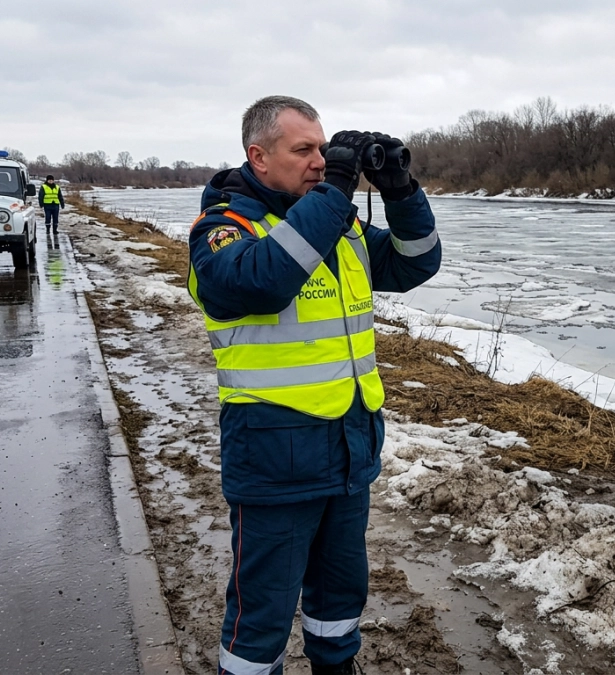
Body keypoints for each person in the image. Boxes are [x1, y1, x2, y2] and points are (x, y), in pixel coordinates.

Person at [187, 96, 440, 675]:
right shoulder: (223, 231)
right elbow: (262, 284)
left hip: (349, 449)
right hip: (274, 455)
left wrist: (401, 190)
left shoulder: (338, 223)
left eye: (324, 150)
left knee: (339, 598)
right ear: (259, 156)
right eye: (303, 150)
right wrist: (337, 190)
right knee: (263, 615)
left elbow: (415, 263)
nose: (320, 163)